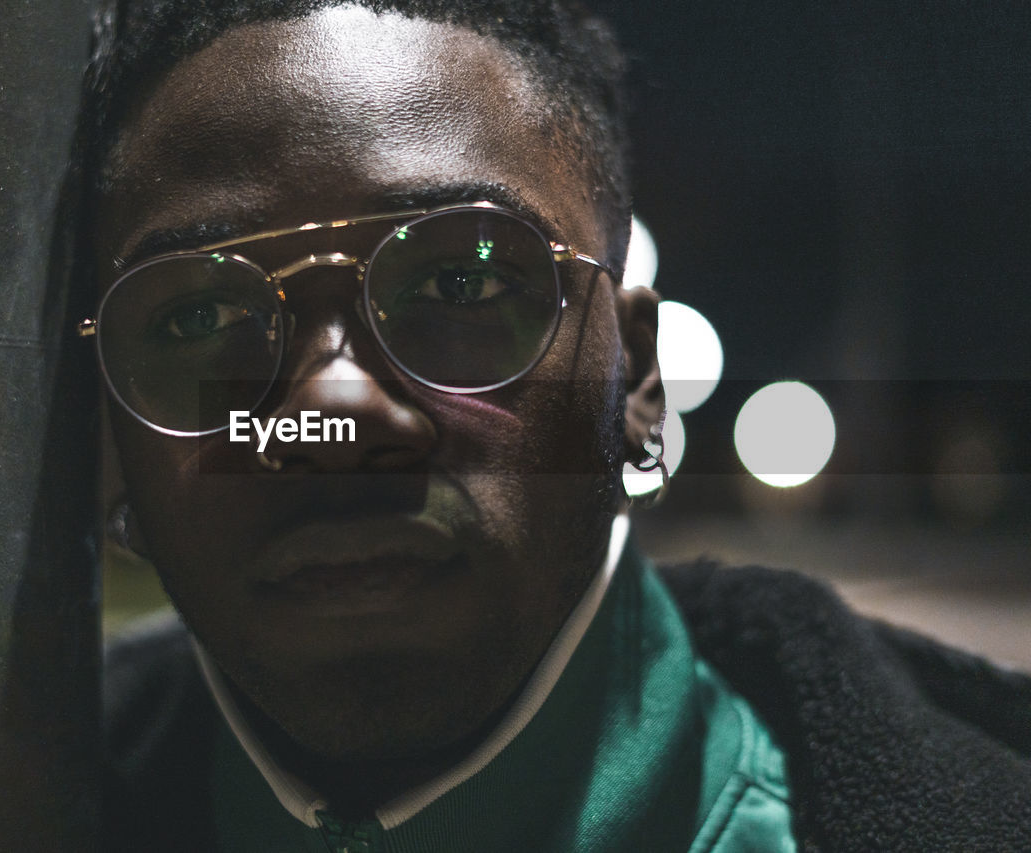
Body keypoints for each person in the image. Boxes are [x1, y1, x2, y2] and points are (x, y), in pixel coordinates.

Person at [70, 1, 1031, 850]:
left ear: (638, 380)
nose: (337, 409)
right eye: (198, 318)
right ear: (109, 438)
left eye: (463, 281)